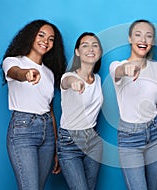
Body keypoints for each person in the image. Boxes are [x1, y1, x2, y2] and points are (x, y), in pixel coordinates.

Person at [1, 19, 67, 190]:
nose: (46, 41)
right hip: (23, 130)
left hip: (48, 134)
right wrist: (27, 74)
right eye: (41, 35)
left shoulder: (50, 73)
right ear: (31, 36)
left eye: (51, 39)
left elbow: (50, 110)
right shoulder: (13, 61)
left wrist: (56, 148)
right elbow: (14, 72)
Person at [109, 19, 157, 190]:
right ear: (129, 39)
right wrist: (127, 69)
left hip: (156, 133)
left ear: (153, 41)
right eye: (138, 35)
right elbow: (118, 72)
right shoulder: (116, 66)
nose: (143, 40)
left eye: (148, 36)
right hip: (129, 137)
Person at [57, 32, 103, 190]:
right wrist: (75, 82)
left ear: (100, 52)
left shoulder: (97, 79)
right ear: (77, 51)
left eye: (95, 45)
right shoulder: (68, 76)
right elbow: (66, 82)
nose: (90, 48)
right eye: (85, 45)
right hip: (69, 141)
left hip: (93, 141)